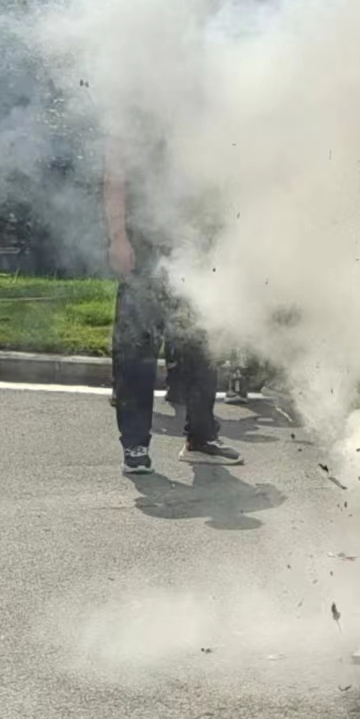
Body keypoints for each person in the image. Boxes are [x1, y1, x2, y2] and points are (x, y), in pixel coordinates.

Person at [103, 143, 241, 473]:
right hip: (145, 251)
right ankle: (135, 445)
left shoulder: (200, 114)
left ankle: (201, 438)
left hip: (194, 250)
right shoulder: (136, 116)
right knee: (136, 351)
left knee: (201, 349)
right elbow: (115, 175)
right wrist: (118, 236)